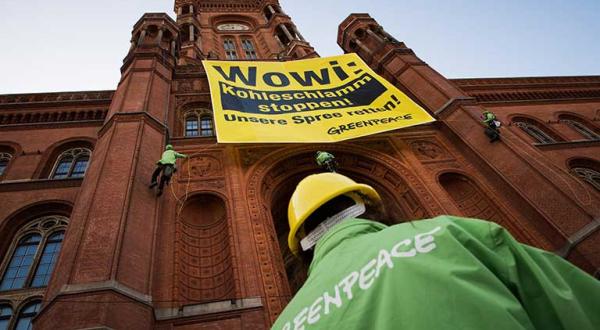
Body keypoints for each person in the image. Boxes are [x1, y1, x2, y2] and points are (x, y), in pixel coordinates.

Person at [272, 172, 600, 330]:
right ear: (368, 206)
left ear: (302, 245)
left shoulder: (284, 325)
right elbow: (578, 309)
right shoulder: (453, 233)